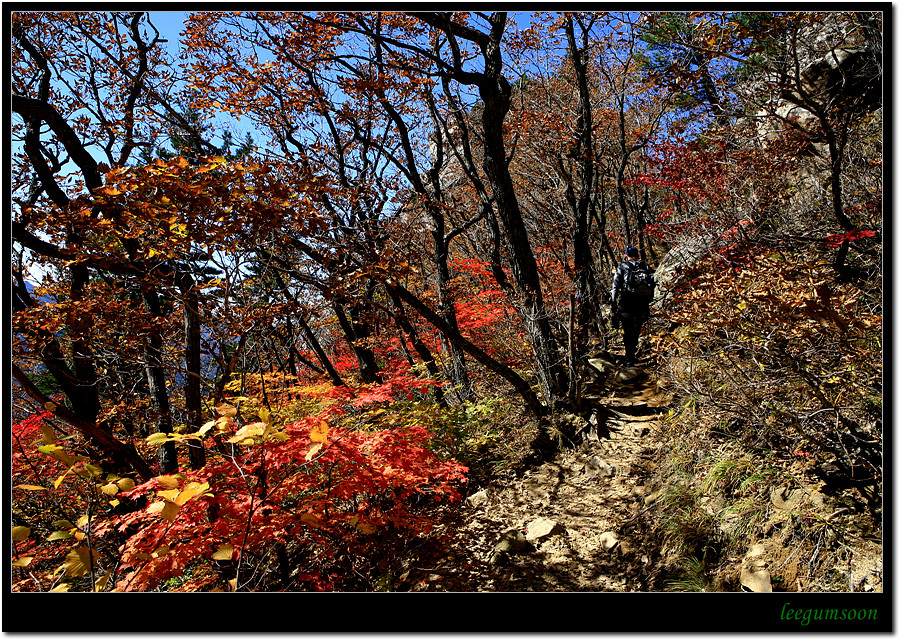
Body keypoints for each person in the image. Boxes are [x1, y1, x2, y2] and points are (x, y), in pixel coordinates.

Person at [611, 246, 656, 366]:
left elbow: (615, 286)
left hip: (627, 301)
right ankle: (632, 353)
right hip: (642, 302)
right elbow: (652, 283)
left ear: (626, 255)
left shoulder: (622, 266)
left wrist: (613, 302)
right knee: (636, 329)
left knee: (627, 329)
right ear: (637, 255)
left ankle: (629, 356)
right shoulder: (644, 266)